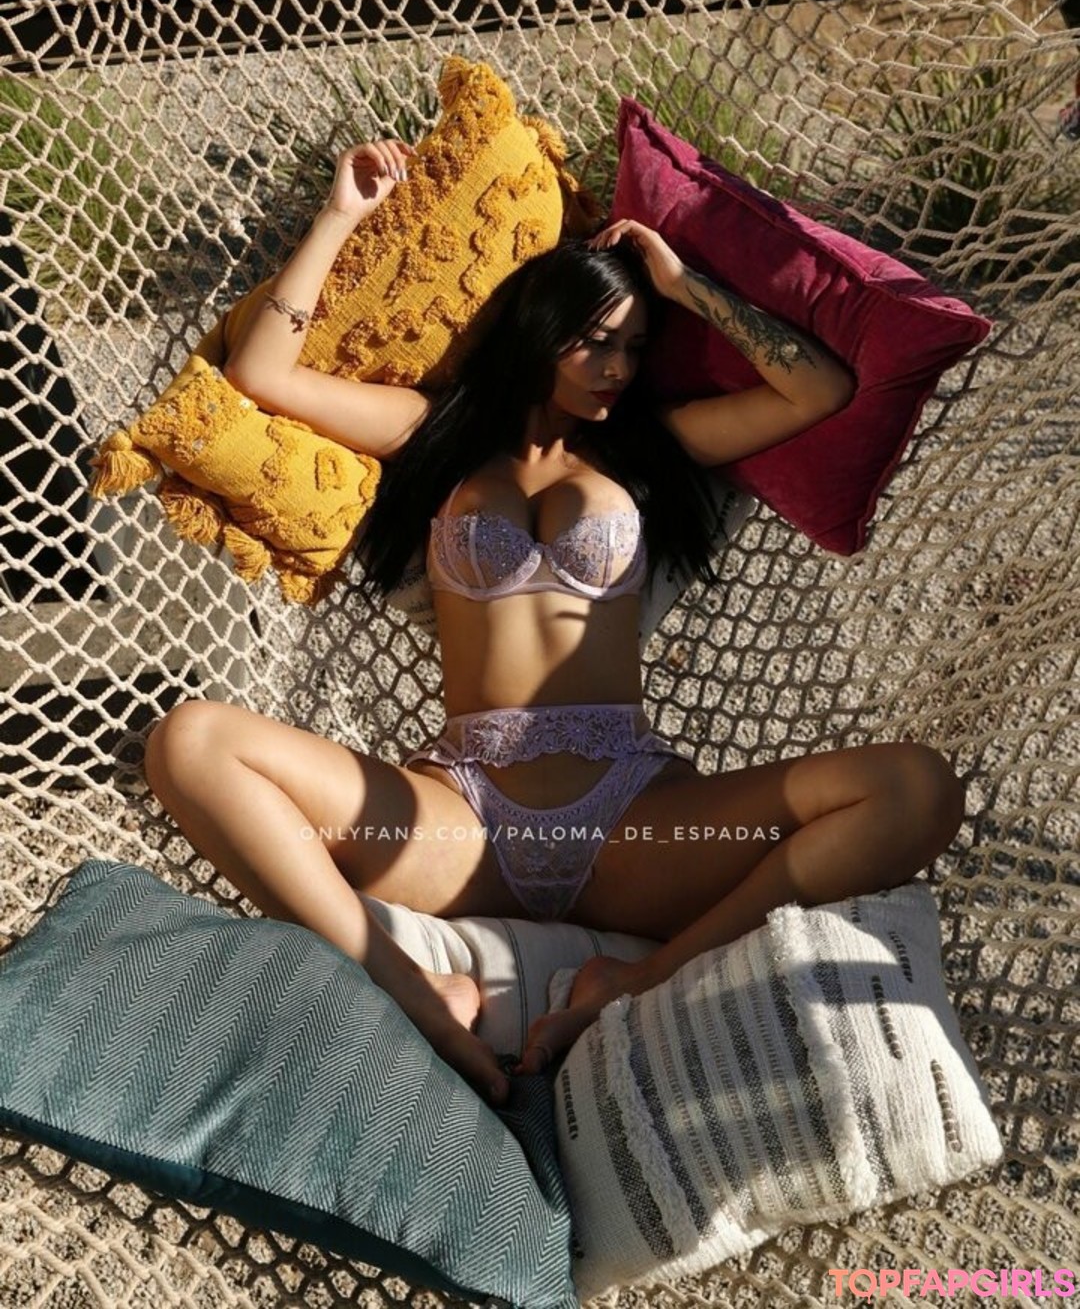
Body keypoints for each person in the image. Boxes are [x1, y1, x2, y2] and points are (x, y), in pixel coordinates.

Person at [145, 138, 965, 1105]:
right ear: (537, 333)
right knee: (190, 741)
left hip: (636, 832)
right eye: (595, 342)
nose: (616, 368)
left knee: (915, 788)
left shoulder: (652, 450)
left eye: (634, 347)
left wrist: (685, 286)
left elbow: (820, 388)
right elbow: (262, 373)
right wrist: (340, 215)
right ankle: (408, 989)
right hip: (458, 828)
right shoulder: (434, 434)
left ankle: (639, 979)